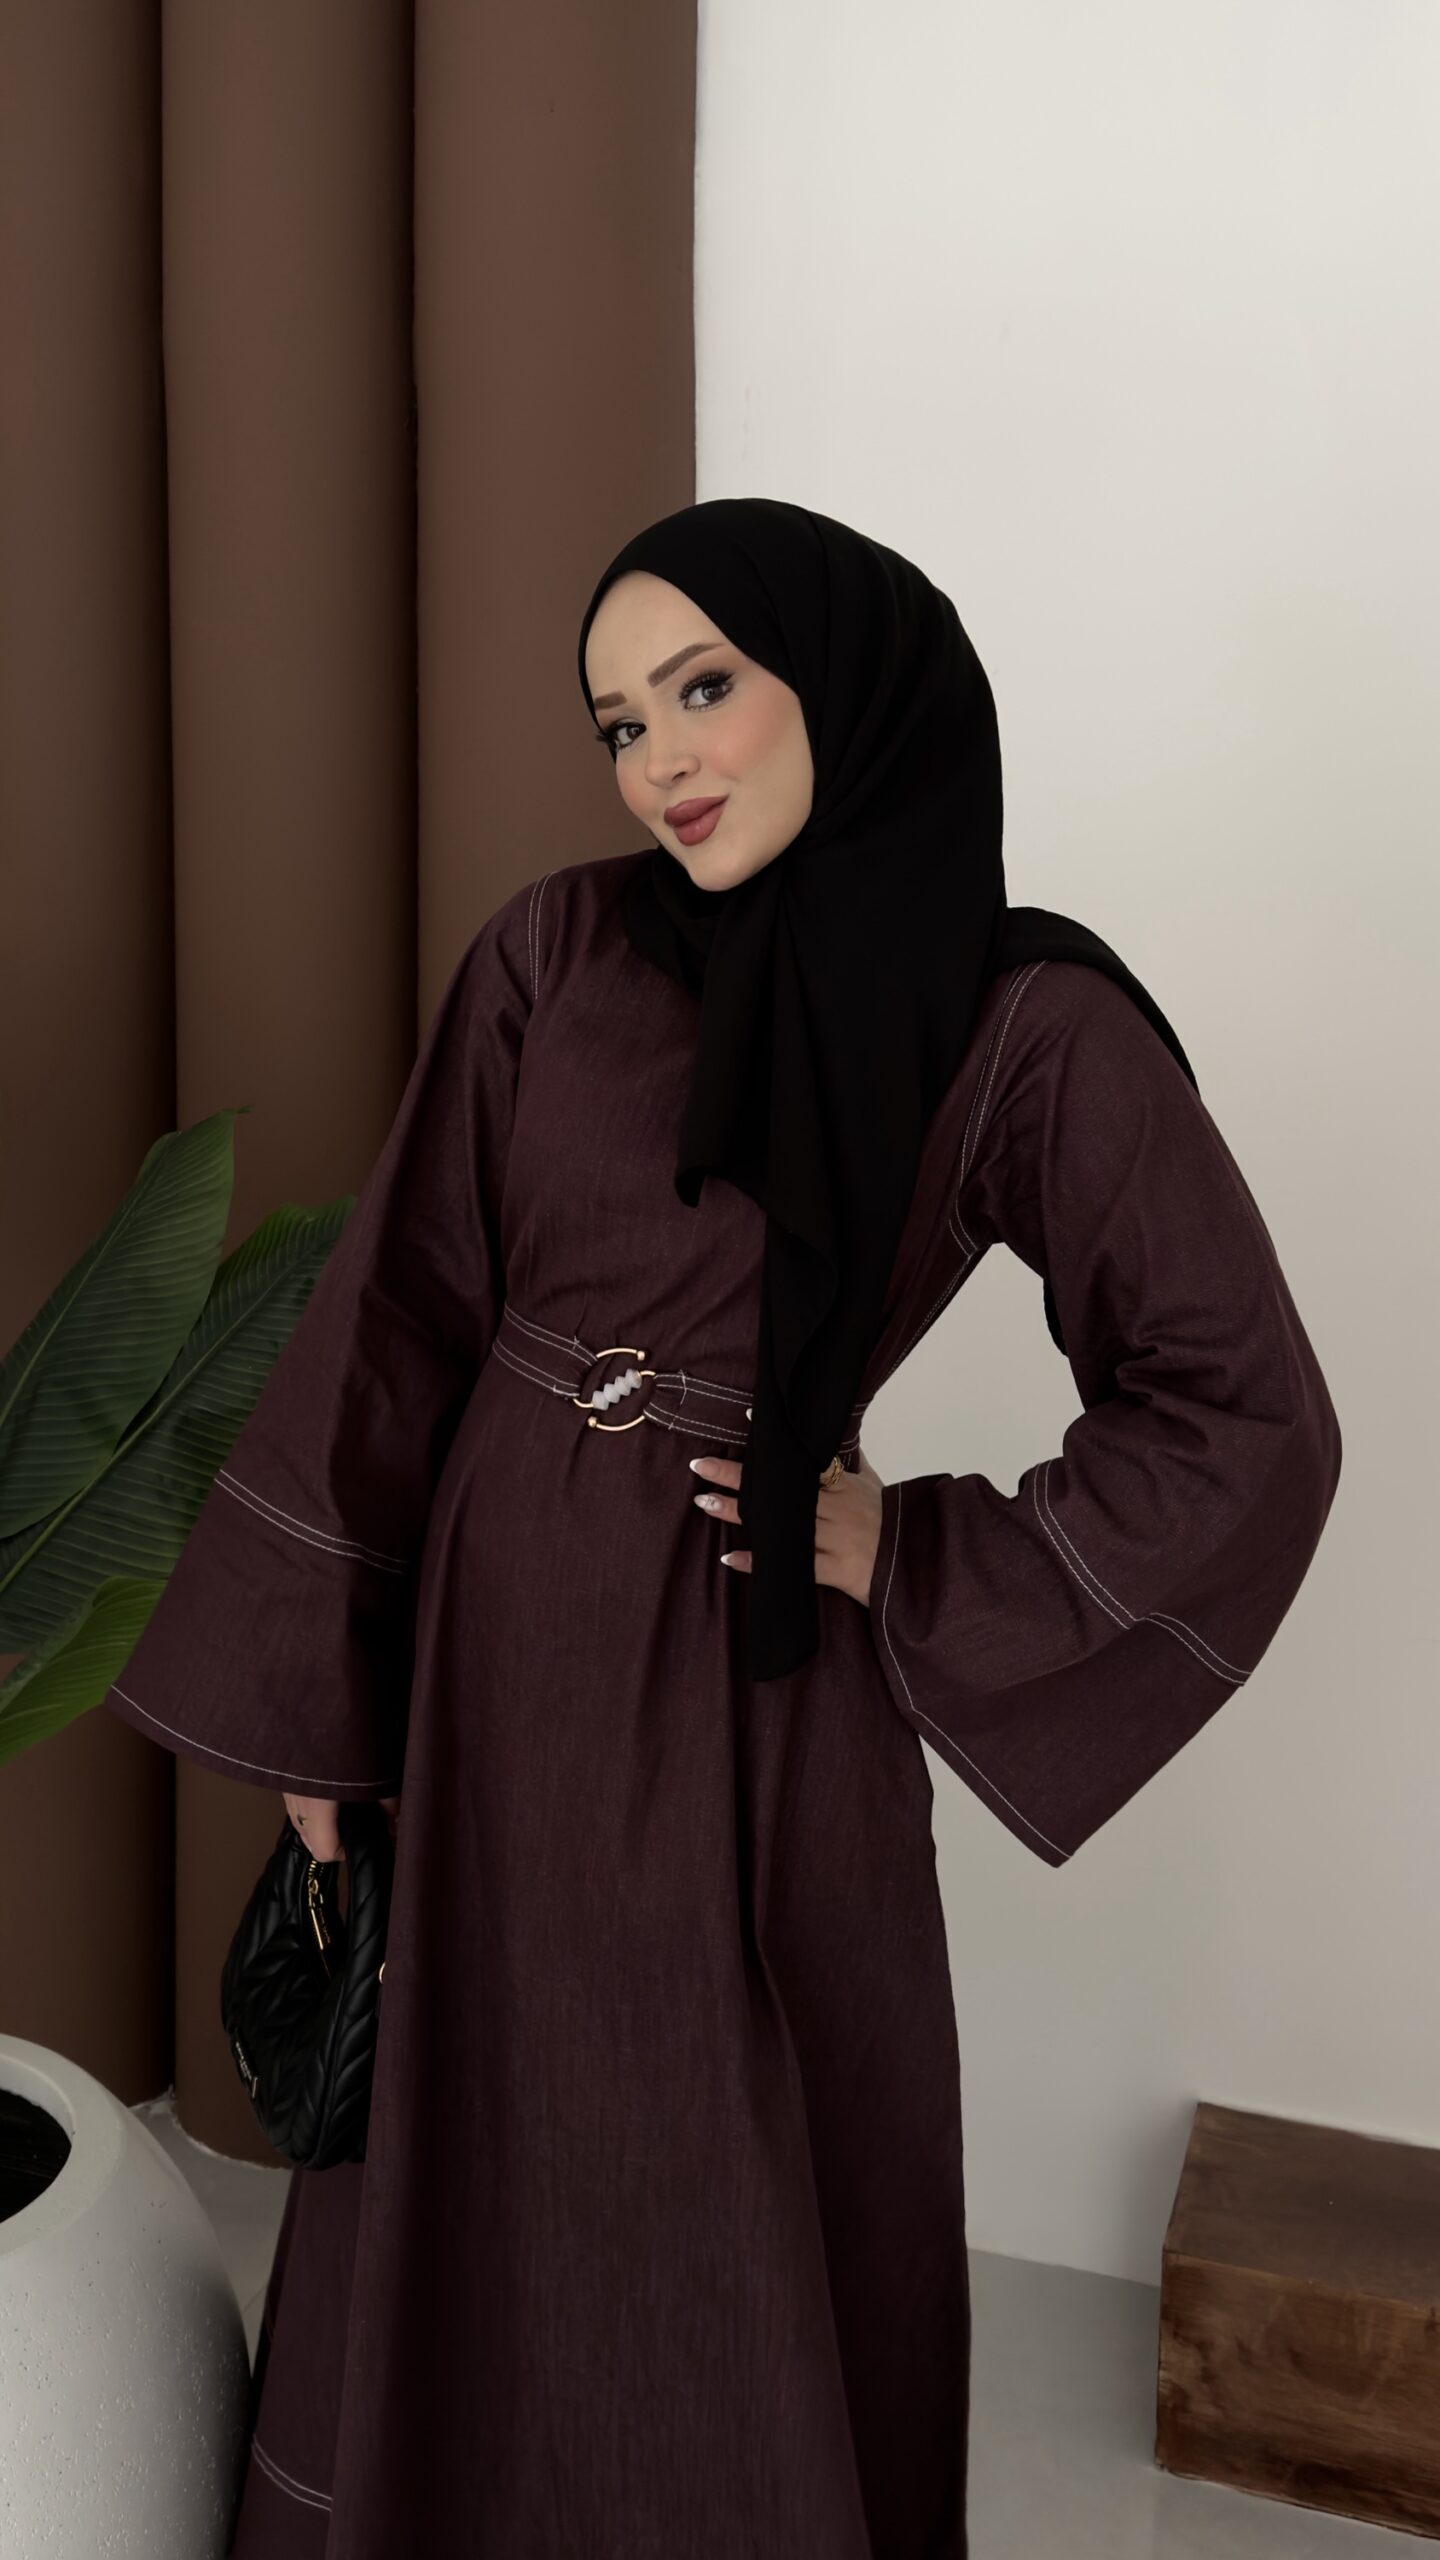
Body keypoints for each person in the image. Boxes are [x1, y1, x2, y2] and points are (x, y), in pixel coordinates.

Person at [103, 497, 1342, 2558]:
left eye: (703, 690)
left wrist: (914, 1550)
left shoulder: (1016, 1020)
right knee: (471, 2143)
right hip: (489, 1672)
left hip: (745, 1697)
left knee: (719, 2175)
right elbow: (400, 1317)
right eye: (618, 723)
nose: (660, 761)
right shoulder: (554, 950)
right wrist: (326, 1714)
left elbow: (1241, 1409)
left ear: (842, 681)